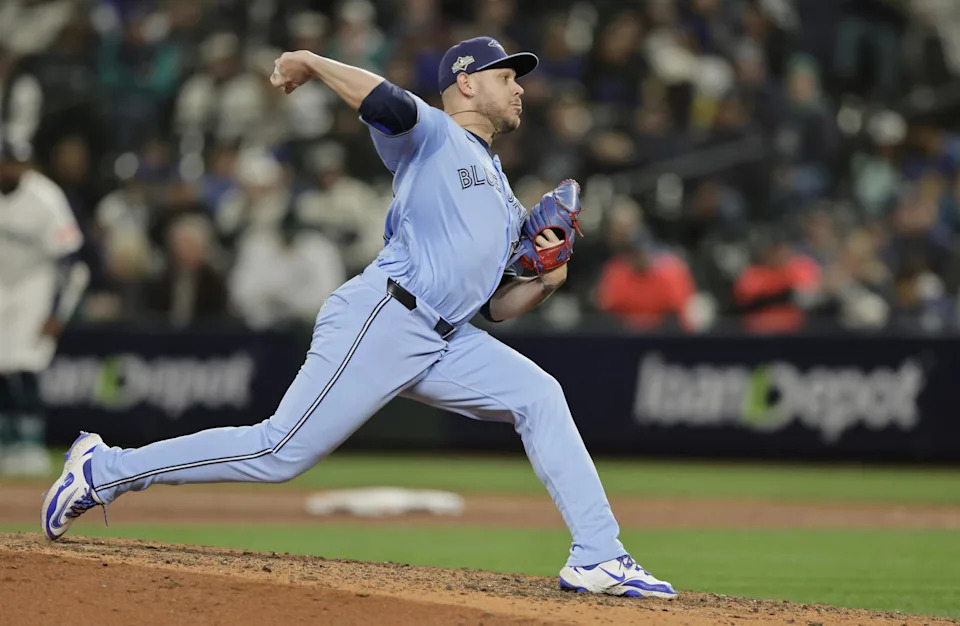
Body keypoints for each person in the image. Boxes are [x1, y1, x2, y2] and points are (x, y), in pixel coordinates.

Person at [41, 37, 676, 600]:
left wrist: (549, 278)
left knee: (540, 394)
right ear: (467, 82)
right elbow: (387, 101)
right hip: (386, 316)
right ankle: (103, 470)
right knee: (278, 451)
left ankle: (598, 555)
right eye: (507, 76)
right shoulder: (434, 134)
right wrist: (313, 62)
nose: (520, 88)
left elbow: (497, 309)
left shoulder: (503, 195)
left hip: (449, 337)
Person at [0, 140, 88, 476]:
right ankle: (7, 441)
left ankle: (29, 444)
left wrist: (57, 311)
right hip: (3, 283)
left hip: (35, 283)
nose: (12, 170)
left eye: (17, 163)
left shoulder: (45, 197)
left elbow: (70, 261)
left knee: (26, 364)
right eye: (6, 163)